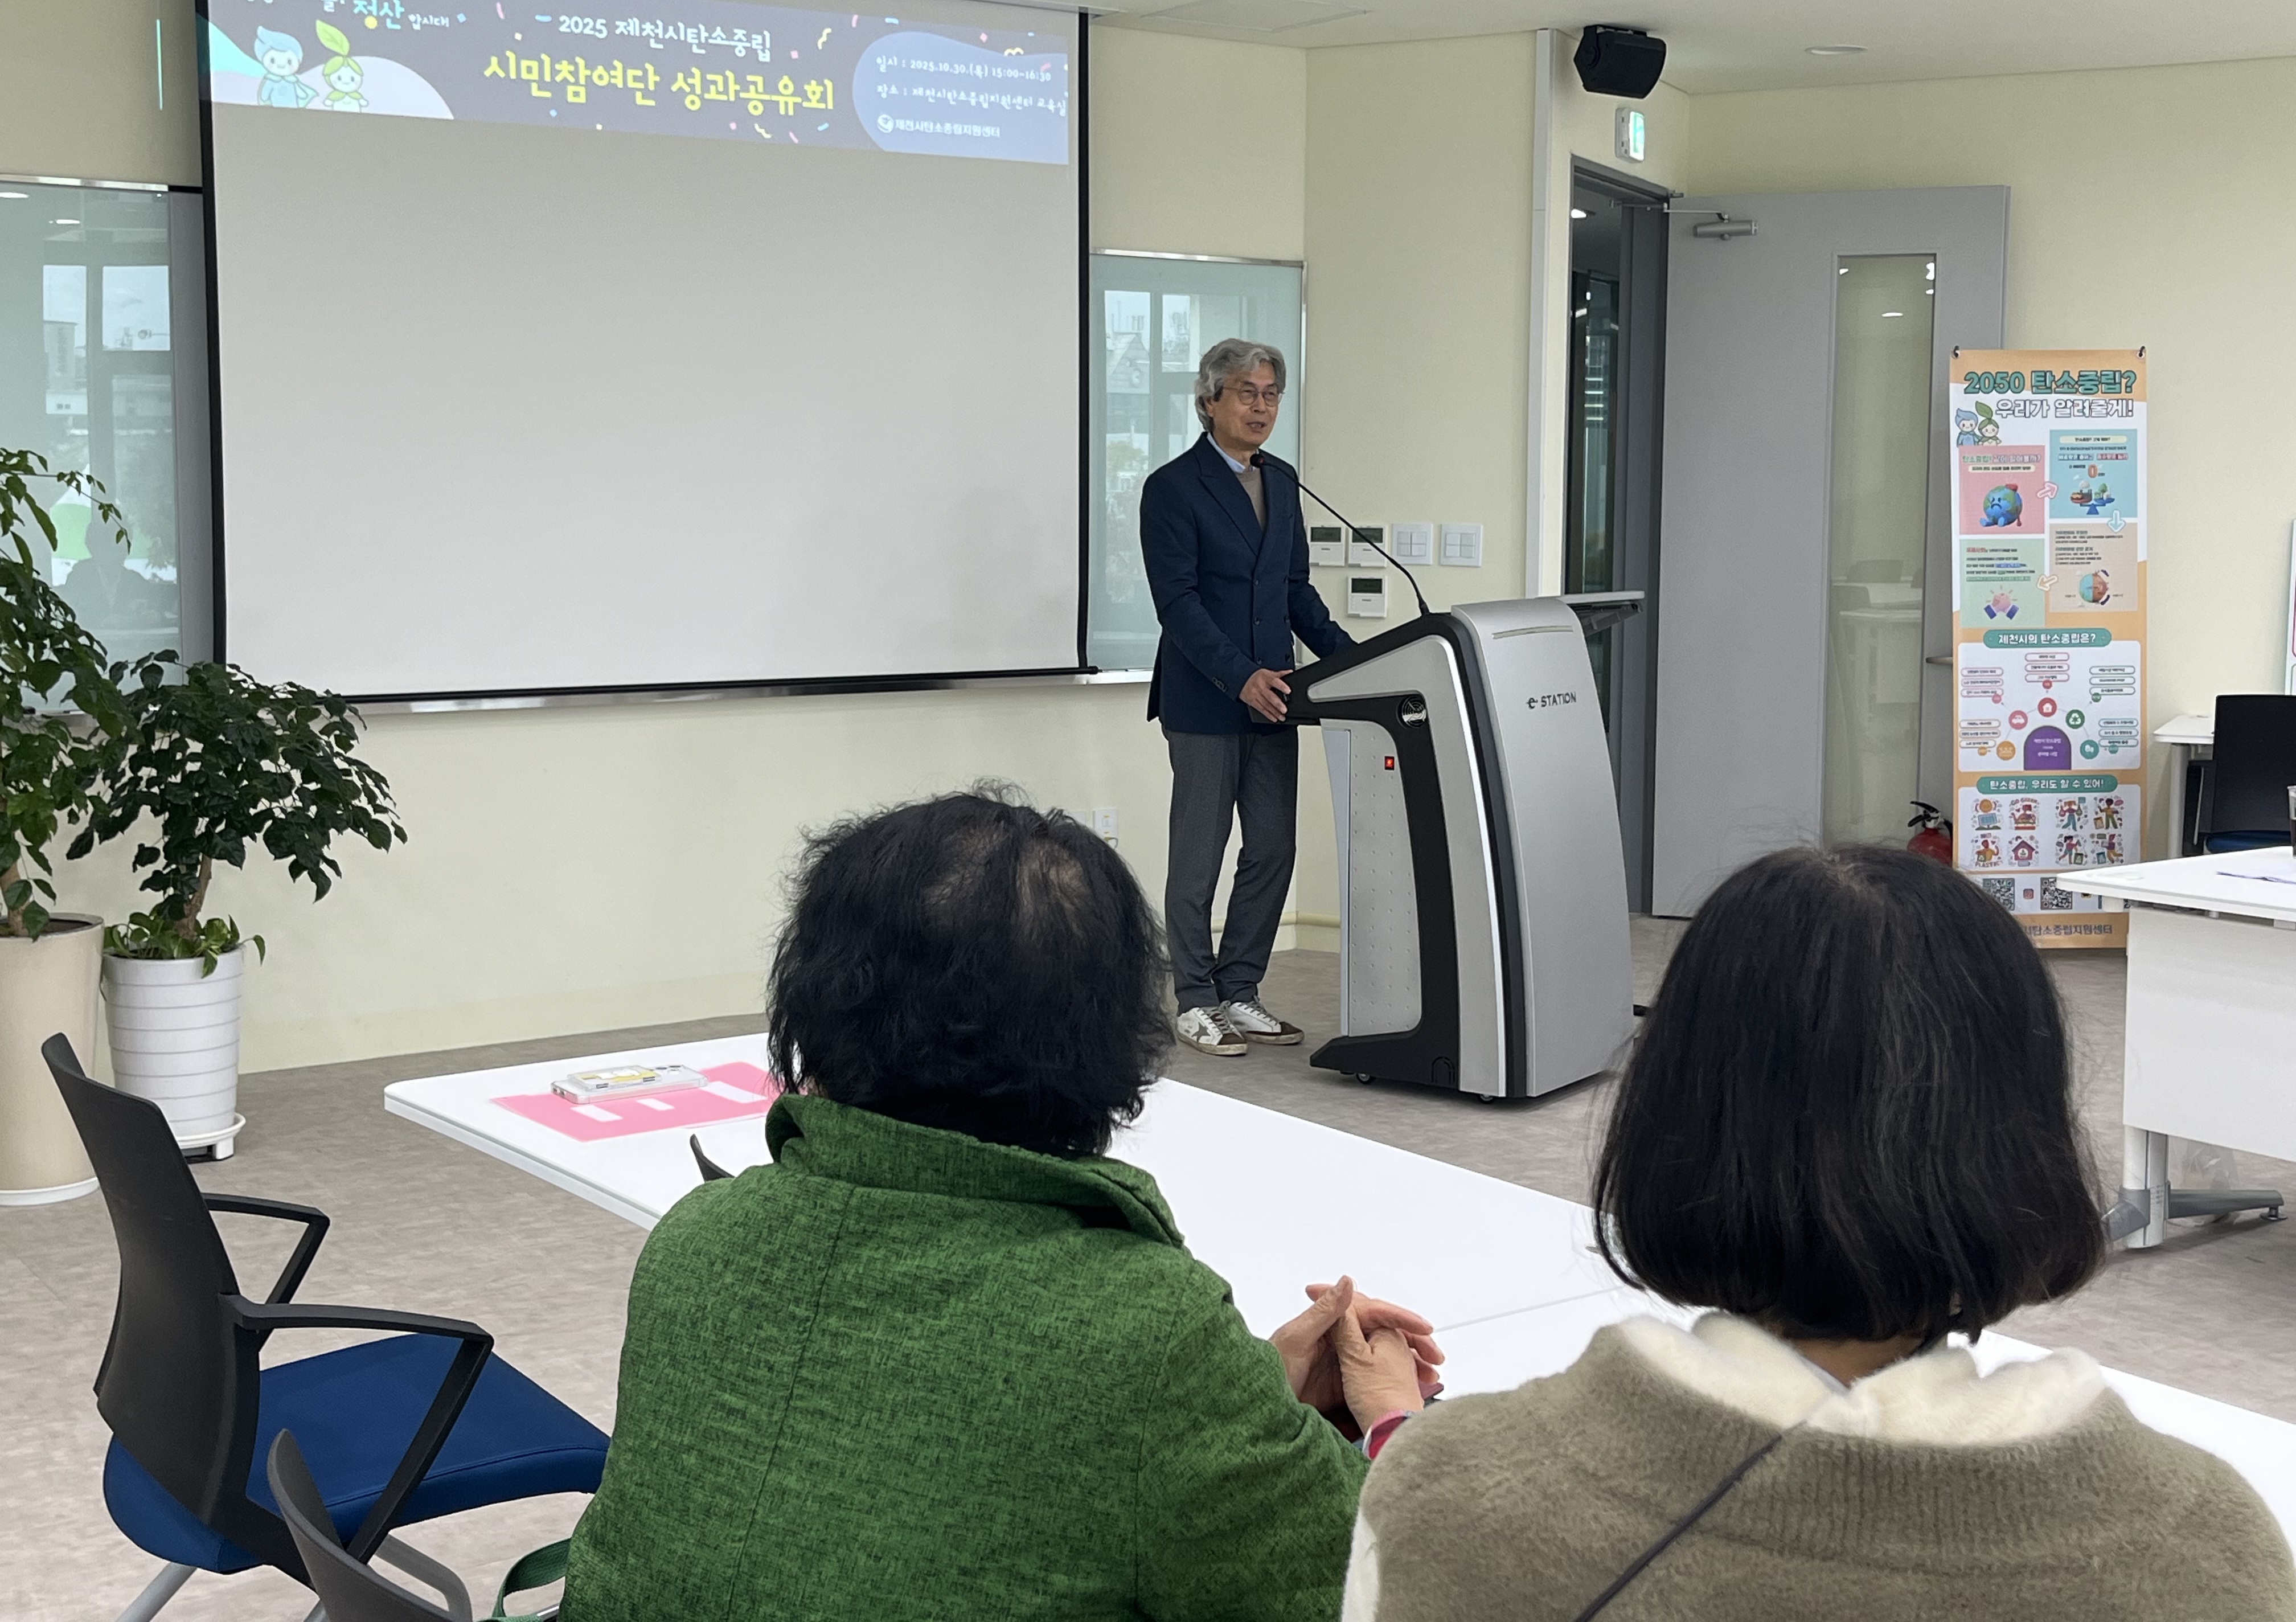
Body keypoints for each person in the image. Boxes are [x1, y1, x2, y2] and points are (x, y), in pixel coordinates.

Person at [1343, 844, 2296, 1621]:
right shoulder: (2207, 1548)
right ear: (2021, 1140)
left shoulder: (1449, 1496)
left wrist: (1399, 1431)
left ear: (1674, 1117)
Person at [564, 790, 1435, 1622]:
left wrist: (1241, 1403)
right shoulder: (1144, 1329)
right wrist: (1397, 1422)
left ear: (815, 1006)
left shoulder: (699, 1237)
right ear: (1109, 1038)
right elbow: (1391, 1588)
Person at [1139, 338, 1355, 1057]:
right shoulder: (1172, 487)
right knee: (1199, 855)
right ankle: (1195, 999)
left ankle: (1240, 989)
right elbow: (1179, 604)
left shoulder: (1282, 481)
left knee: (1272, 849)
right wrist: (1240, 678)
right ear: (1209, 403)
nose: (1261, 407)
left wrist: (1356, 663)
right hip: (1208, 701)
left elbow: (1295, 592)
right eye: (1246, 393)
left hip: (1278, 699)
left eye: (1271, 394)